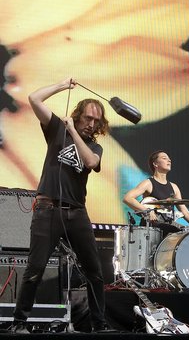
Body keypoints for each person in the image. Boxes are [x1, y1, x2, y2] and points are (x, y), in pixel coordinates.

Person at [12, 78, 111, 334]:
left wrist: (74, 131)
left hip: (77, 212)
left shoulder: (94, 145)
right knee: (35, 269)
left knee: (95, 272)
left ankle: (99, 325)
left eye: (96, 122)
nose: (91, 124)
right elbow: (34, 98)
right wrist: (61, 86)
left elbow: (90, 162)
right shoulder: (56, 129)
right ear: (78, 116)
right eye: (87, 118)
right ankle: (19, 323)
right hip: (48, 209)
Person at [122, 150, 189, 233]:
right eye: (164, 158)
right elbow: (128, 198)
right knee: (175, 230)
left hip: (169, 225)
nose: (169, 160)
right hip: (153, 227)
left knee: (188, 233)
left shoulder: (174, 187)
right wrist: (147, 211)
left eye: (169, 159)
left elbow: (185, 212)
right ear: (155, 164)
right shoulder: (148, 183)